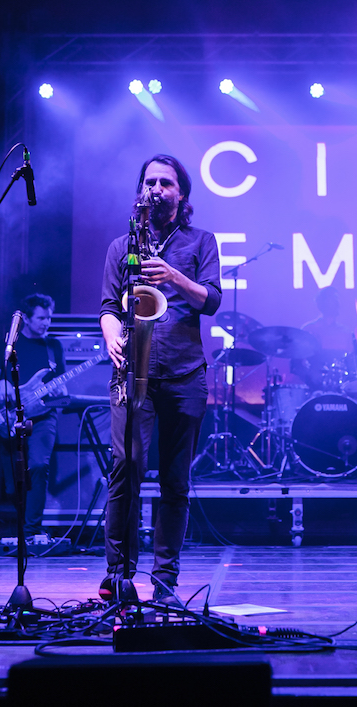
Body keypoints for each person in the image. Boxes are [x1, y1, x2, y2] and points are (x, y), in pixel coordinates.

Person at [99, 154, 222, 604]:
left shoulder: (201, 241)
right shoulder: (123, 245)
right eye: (149, 182)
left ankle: (165, 578)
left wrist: (174, 277)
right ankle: (118, 574)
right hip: (132, 371)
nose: (156, 189)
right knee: (126, 466)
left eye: (165, 182)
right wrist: (112, 335)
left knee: (175, 481)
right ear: (140, 191)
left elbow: (212, 300)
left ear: (181, 193)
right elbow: (108, 307)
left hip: (185, 373)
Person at [0, 293, 66, 538]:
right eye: (41, 318)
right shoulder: (8, 346)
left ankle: (31, 532)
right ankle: (22, 527)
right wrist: (6, 386)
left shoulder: (54, 347)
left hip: (43, 416)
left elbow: (62, 385)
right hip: (11, 417)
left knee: (39, 465)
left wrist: (60, 390)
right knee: (12, 483)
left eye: (49, 318)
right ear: (27, 319)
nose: (46, 323)